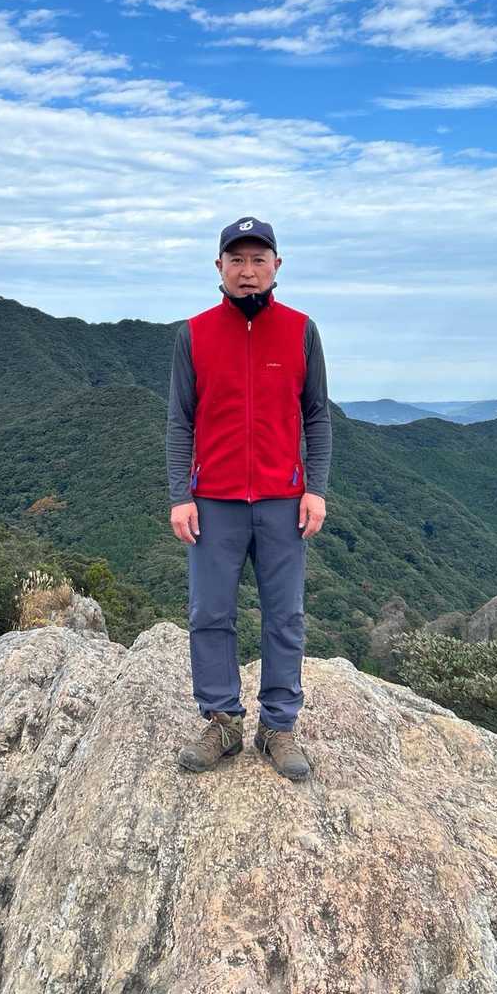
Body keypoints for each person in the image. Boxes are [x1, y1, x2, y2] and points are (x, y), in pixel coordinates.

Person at [165, 216, 332, 782]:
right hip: (213, 500)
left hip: (284, 499)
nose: (247, 270)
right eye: (236, 259)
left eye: (258, 259)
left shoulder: (301, 330)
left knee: (285, 615)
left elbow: (317, 416)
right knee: (210, 612)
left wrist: (315, 489)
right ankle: (222, 721)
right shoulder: (194, 334)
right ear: (219, 267)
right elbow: (180, 421)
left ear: (276, 265)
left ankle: (277, 726)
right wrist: (180, 494)